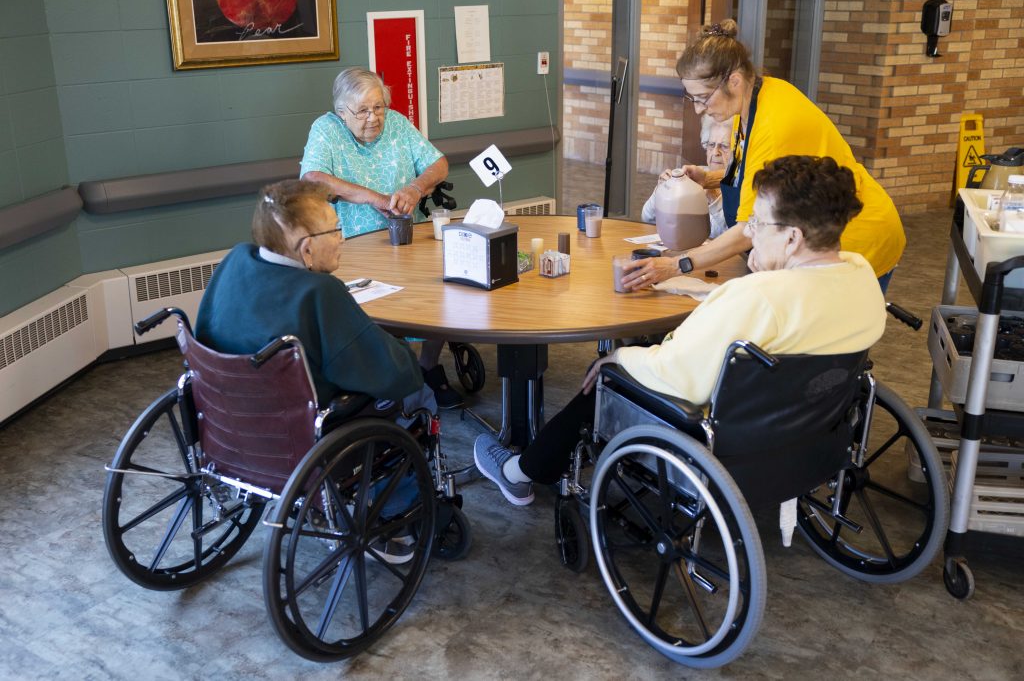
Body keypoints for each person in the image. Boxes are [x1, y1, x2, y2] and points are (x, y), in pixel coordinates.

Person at [474, 155, 887, 505]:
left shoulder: (756, 296)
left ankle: (519, 470)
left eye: (757, 225)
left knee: (606, 376)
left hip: (726, 436)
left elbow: (678, 373)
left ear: (793, 238)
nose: (750, 235)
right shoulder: (861, 275)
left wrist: (619, 357)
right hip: (807, 431)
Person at [196, 179, 429, 562]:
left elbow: (206, 333)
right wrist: (408, 354)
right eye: (336, 229)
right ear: (306, 248)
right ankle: (394, 512)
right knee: (420, 395)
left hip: (226, 424)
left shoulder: (235, 261)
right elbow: (391, 373)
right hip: (302, 434)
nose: (341, 238)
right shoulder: (319, 293)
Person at [621, 20, 905, 294]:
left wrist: (675, 265)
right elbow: (755, 172)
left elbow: (748, 228)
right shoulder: (750, 101)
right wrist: (710, 177)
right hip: (810, 230)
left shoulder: (773, 124)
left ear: (733, 80)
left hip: (856, 234)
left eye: (703, 98)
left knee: (834, 338)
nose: (698, 110)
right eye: (692, 98)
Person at [300, 66, 461, 408]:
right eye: (362, 111)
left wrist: (417, 187)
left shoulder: (398, 124)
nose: (373, 117)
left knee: (446, 293)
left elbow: (439, 164)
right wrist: (373, 197)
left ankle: (428, 365)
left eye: (379, 107)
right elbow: (313, 178)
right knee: (377, 317)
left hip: (405, 238)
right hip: (350, 246)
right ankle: (387, 380)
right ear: (341, 112)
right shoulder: (326, 130)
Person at [641, 114, 735, 240]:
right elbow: (647, 218)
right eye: (711, 145)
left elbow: (732, 234)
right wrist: (661, 192)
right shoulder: (693, 174)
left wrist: (711, 195)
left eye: (724, 146)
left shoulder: (739, 185)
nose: (715, 152)